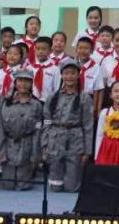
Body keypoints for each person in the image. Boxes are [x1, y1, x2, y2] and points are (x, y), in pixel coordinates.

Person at [41, 58, 94, 192]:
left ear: (78, 75)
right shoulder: (53, 97)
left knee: (72, 187)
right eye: (66, 73)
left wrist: (87, 151)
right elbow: (47, 121)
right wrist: (45, 144)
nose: (69, 76)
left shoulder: (84, 98)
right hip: (55, 139)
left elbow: (88, 125)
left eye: (72, 73)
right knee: (55, 187)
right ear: (62, 75)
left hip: (75, 141)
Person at [0, 68, 42, 191]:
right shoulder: (5, 102)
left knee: (23, 186)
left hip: (27, 147)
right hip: (8, 147)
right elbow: (0, 127)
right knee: (7, 185)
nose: (23, 84)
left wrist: (35, 155)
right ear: (15, 83)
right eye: (20, 80)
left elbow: (38, 129)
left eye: (27, 81)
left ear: (31, 83)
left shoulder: (36, 105)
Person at [29, 37, 60, 103]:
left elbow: (56, 89)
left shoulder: (55, 69)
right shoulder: (29, 68)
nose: (40, 52)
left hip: (47, 102)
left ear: (50, 50)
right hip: (31, 102)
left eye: (44, 49)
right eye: (38, 49)